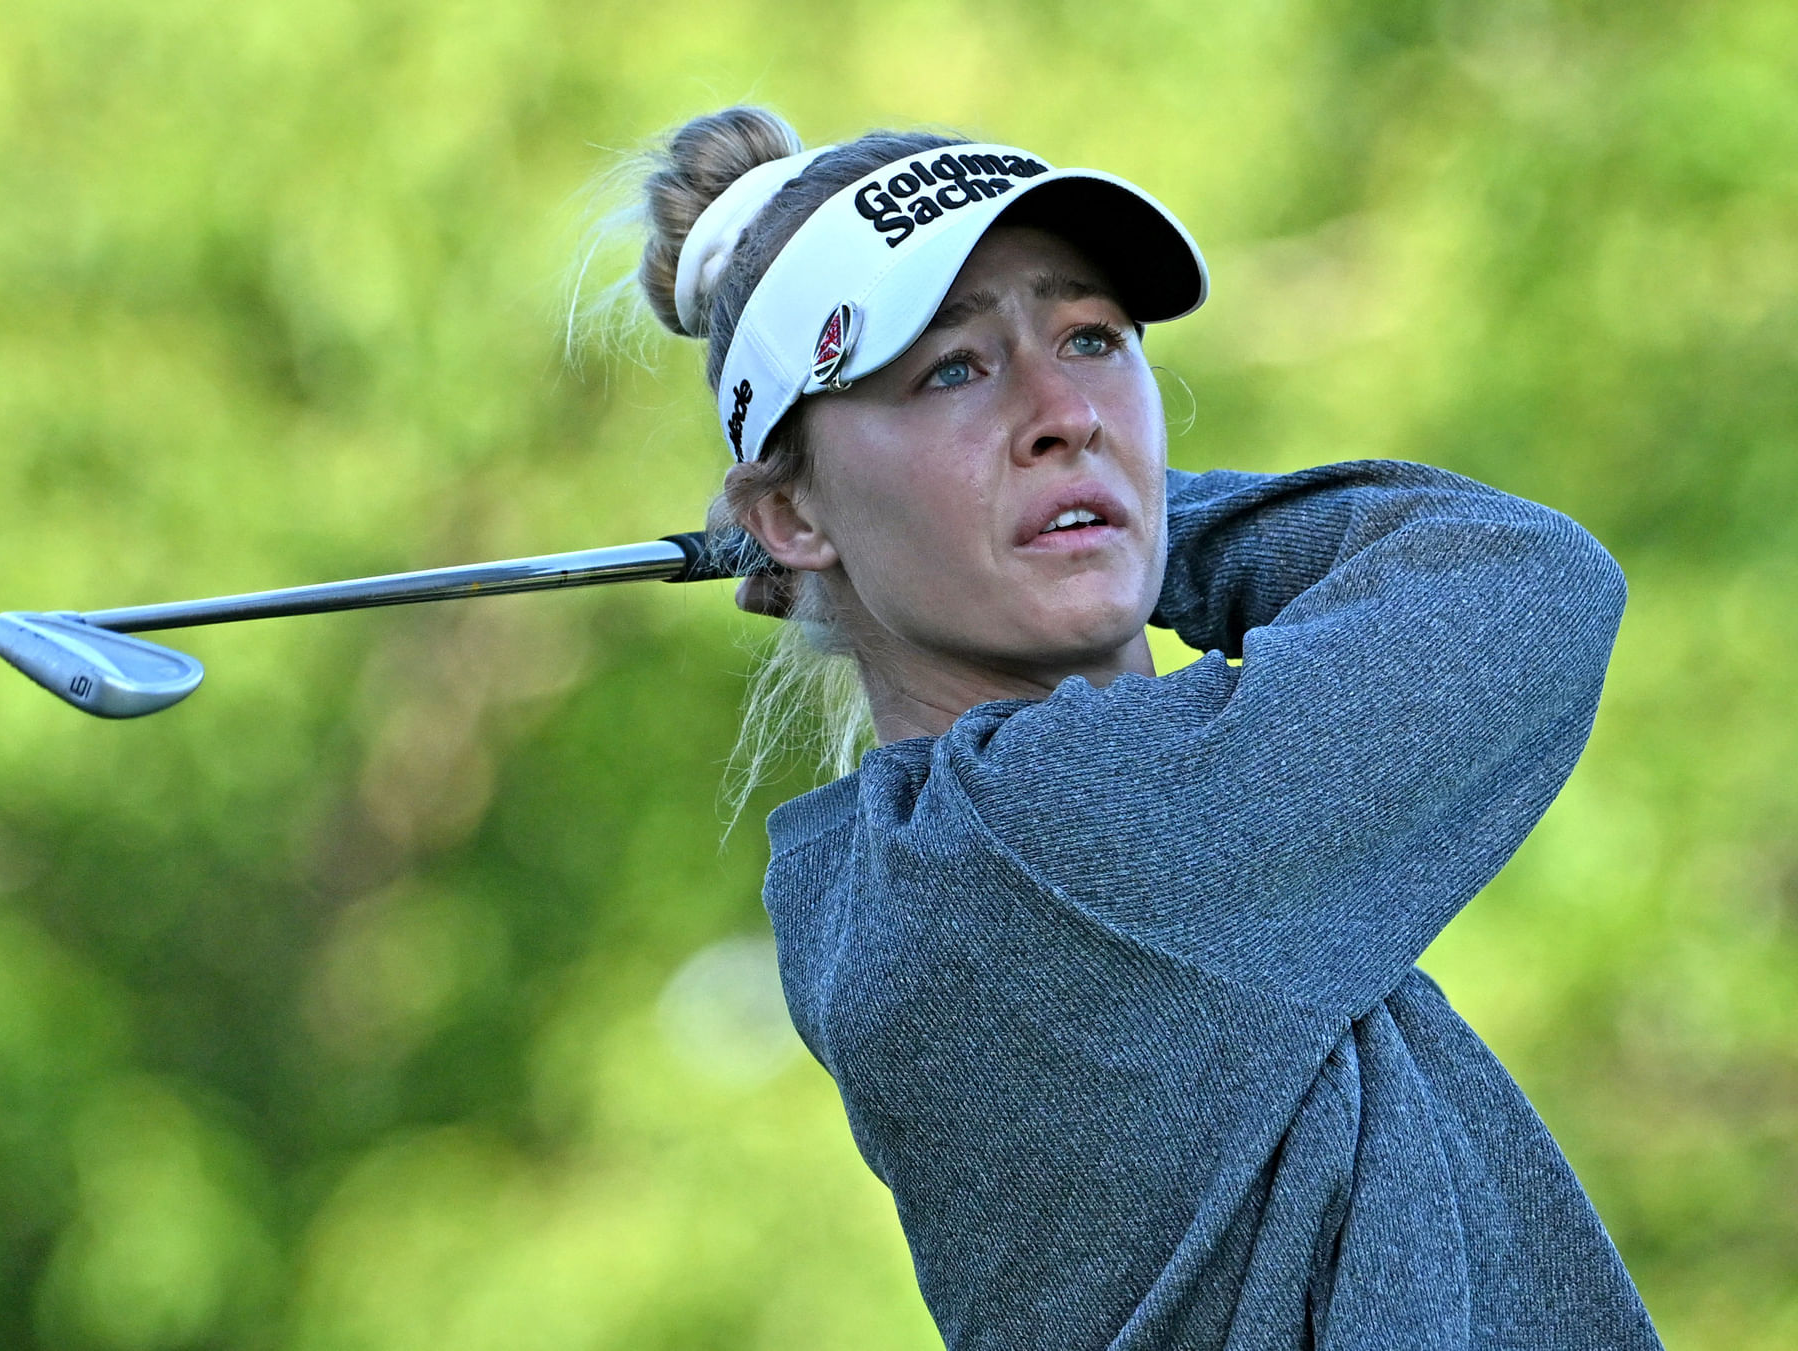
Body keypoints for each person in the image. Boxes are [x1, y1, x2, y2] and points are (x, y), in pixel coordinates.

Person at [626, 106, 1664, 1350]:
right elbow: (1520, 582)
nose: (1068, 410)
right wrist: (1144, 512)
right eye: (952, 368)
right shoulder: (1045, 849)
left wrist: (1084, 507)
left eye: (1091, 338)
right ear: (788, 518)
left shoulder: (916, 872)